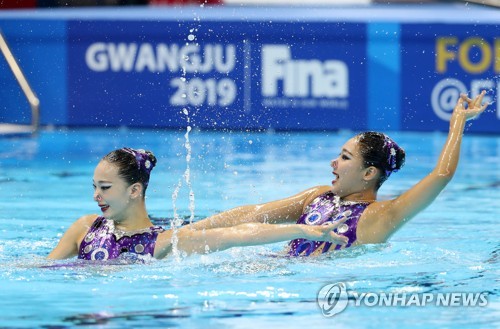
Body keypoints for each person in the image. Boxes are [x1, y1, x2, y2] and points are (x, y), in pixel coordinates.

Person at [190, 92, 489, 256]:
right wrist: (191, 231)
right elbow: (254, 215)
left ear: (369, 173)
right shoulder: (317, 196)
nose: (333, 163)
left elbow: (442, 174)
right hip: (270, 270)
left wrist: (458, 124)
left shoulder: (379, 217)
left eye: (345, 158)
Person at [48, 149, 349, 261]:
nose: (96, 196)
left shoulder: (164, 243)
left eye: (105, 188)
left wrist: (304, 230)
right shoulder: (86, 227)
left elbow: (238, 234)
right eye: (94, 188)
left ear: (134, 190)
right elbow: (45, 267)